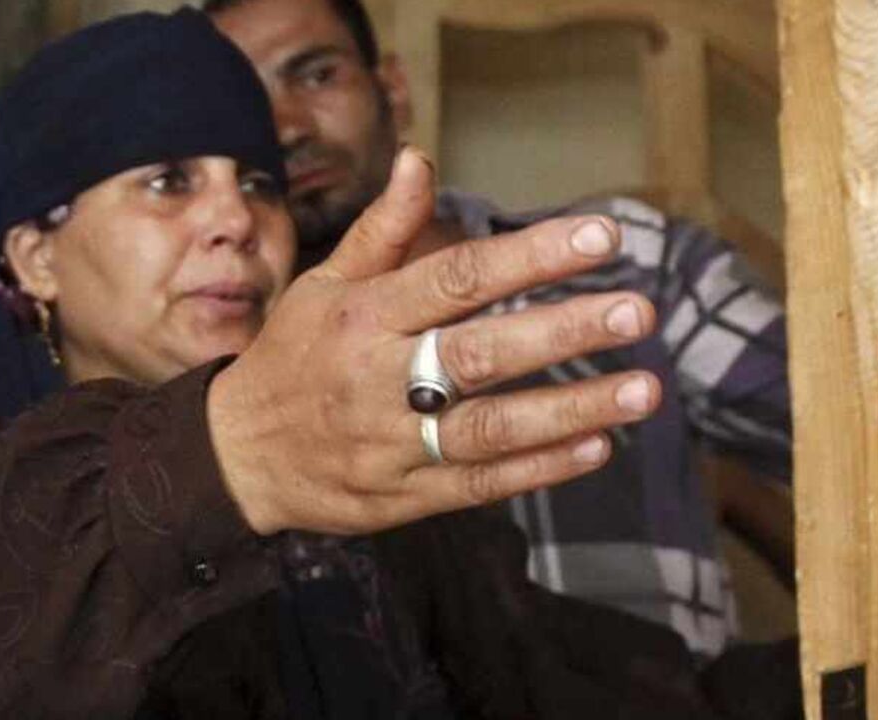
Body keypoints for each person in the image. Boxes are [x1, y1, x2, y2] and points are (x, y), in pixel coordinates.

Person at [0, 9, 738, 720]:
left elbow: (576, 681)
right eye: (167, 182)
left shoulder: (377, 517)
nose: (236, 221)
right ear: (35, 255)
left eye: (257, 184)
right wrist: (231, 454)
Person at [207, 0, 795, 659]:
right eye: (245, 101)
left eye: (316, 75)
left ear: (392, 89)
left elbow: (861, 442)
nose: (285, 126)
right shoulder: (219, 360)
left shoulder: (619, 262)